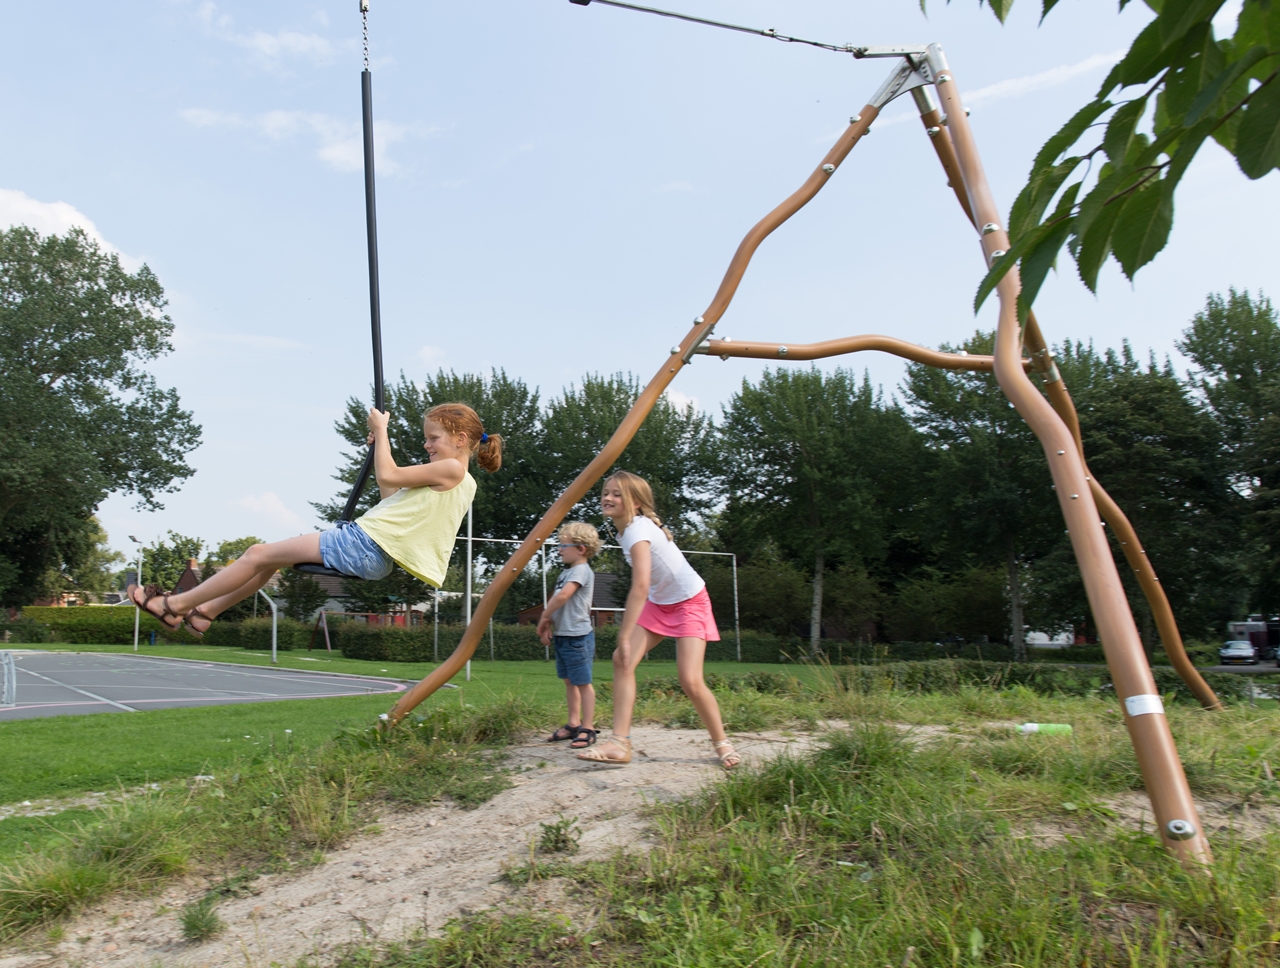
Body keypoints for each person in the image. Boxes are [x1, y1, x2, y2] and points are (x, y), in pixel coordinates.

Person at [126, 403, 502, 636]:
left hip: (364, 544)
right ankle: (205, 613)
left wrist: (382, 432)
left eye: (433, 438)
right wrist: (376, 452)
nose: (427, 445)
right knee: (266, 561)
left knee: (256, 553)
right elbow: (391, 498)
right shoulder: (453, 477)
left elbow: (389, 476)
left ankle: (173, 607)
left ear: (461, 439)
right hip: (371, 551)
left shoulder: (452, 470)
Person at [577, 470, 740, 769]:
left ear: (636, 503)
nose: (608, 498)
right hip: (660, 602)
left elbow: (639, 585)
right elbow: (648, 588)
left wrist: (625, 636)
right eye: (606, 492)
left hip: (690, 602)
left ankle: (722, 744)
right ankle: (619, 743)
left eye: (617, 494)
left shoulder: (638, 531)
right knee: (622, 661)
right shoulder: (624, 530)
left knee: (690, 679)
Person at [537, 522, 602, 750]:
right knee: (569, 681)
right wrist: (549, 623)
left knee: (583, 683)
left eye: (563, 545)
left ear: (581, 549)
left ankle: (588, 727)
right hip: (563, 635)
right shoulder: (567, 572)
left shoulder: (581, 571)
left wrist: (544, 616)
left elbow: (564, 597)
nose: (559, 549)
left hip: (578, 637)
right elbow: (560, 604)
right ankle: (574, 723)